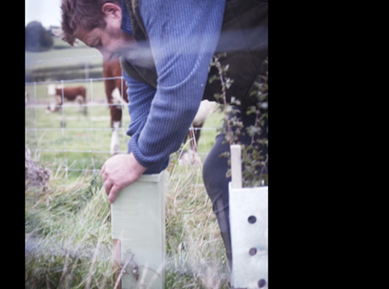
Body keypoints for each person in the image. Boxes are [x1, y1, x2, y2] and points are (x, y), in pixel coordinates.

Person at [60, 0, 268, 270]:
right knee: (223, 171)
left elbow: (179, 97)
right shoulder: (132, 57)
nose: (105, 56)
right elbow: (143, 127)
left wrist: (135, 161)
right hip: (258, 98)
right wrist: (130, 182)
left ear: (112, 12)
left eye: (99, 42)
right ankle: (252, 283)